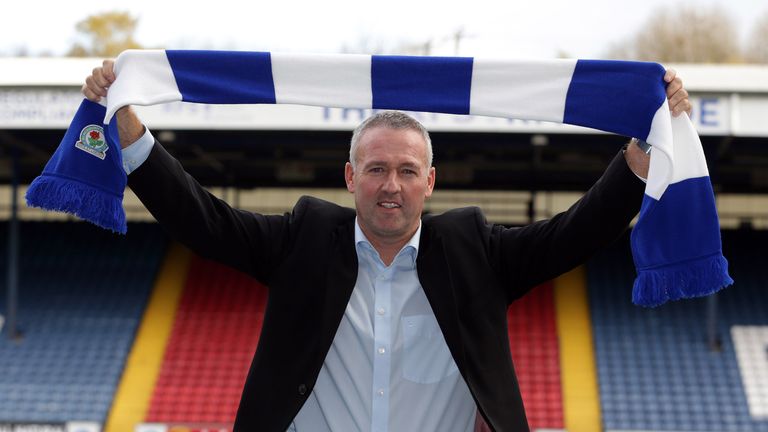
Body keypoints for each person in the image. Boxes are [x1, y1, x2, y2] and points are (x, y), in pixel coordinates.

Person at [84, 60, 691, 432]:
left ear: (431, 180)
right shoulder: (305, 239)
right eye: (375, 169)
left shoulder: (476, 250)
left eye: (407, 170)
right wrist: (131, 130)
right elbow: (205, 222)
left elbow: (574, 234)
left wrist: (641, 151)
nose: (391, 186)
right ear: (351, 179)